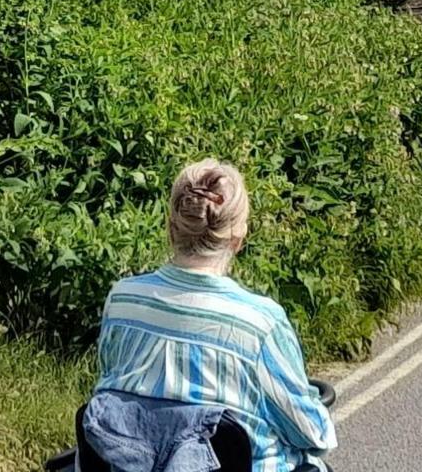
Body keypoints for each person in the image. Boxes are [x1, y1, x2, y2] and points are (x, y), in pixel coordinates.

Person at [84, 159, 336, 472]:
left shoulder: (122, 299)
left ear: (171, 226)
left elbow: (111, 387)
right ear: (238, 238)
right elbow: (311, 433)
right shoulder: (260, 323)